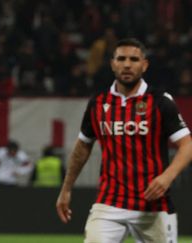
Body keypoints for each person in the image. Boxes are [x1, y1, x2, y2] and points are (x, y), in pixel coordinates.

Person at [56, 38, 192, 243]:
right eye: (121, 58)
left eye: (134, 59)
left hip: (153, 206)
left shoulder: (161, 101)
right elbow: (83, 146)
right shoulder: (98, 103)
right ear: (112, 64)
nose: (127, 64)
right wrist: (66, 189)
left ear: (144, 65)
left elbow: (187, 145)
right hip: (110, 203)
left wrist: (167, 177)